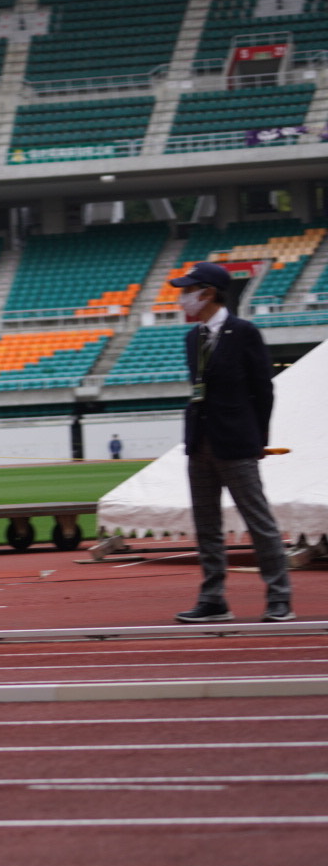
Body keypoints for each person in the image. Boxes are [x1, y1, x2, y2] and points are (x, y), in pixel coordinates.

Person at [168, 262, 292, 624]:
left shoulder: (244, 332)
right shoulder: (193, 337)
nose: (182, 298)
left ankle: (280, 598)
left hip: (237, 443)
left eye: (187, 291)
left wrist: (259, 440)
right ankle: (213, 599)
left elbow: (263, 391)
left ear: (207, 293)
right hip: (200, 443)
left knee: (259, 522)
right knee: (206, 525)